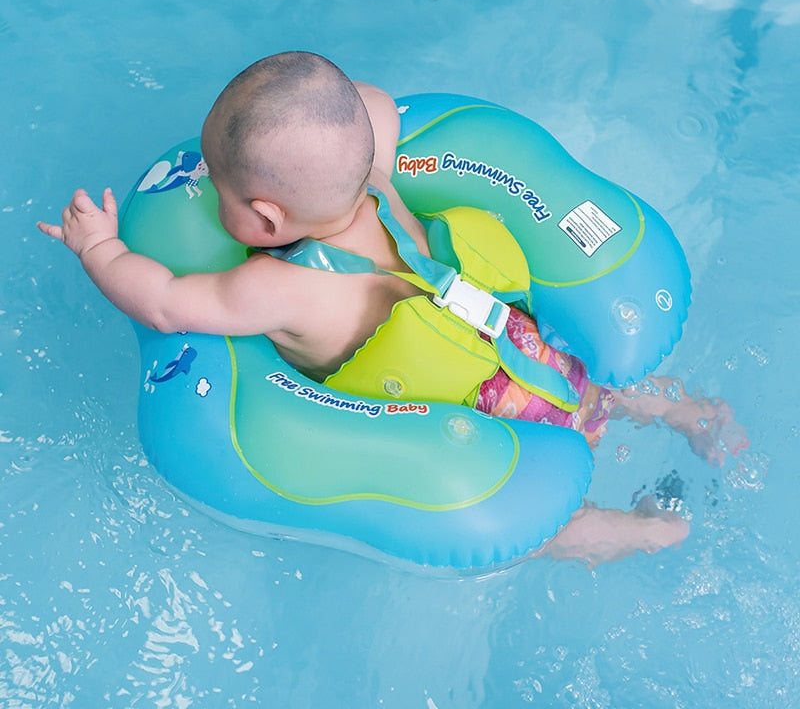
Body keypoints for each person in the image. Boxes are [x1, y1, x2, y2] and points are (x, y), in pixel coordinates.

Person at [37, 51, 748, 566]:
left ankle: (642, 533)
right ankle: (691, 414)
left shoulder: (276, 287)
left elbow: (163, 306)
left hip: (478, 416)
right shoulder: (378, 179)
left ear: (263, 218)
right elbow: (370, 102)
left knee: (546, 530)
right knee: (597, 394)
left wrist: (99, 249)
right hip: (530, 354)